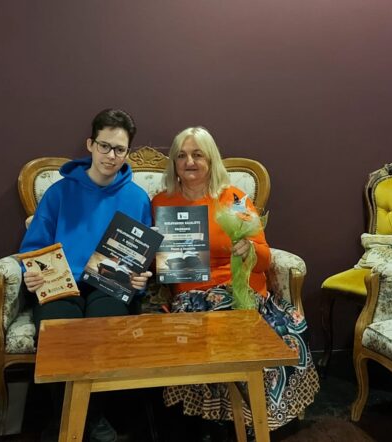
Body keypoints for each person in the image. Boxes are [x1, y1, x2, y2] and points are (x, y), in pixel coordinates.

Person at [152, 127, 319, 435]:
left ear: (211, 159)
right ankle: (224, 419)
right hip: (193, 297)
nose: (190, 162)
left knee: (286, 331)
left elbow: (265, 258)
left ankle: (261, 419)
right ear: (174, 163)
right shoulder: (161, 202)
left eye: (198, 154)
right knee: (224, 331)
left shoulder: (235, 199)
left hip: (244, 293)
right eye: (182, 156)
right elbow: (155, 260)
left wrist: (250, 250)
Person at [19, 108, 152, 442]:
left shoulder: (137, 198)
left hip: (109, 286)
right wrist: (30, 274)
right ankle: (80, 420)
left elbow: (141, 259)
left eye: (119, 149)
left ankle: (81, 420)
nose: (111, 156)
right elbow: (34, 247)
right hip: (61, 283)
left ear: (127, 153)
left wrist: (140, 281)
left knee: (103, 329)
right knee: (58, 334)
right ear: (90, 145)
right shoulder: (59, 192)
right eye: (105, 146)